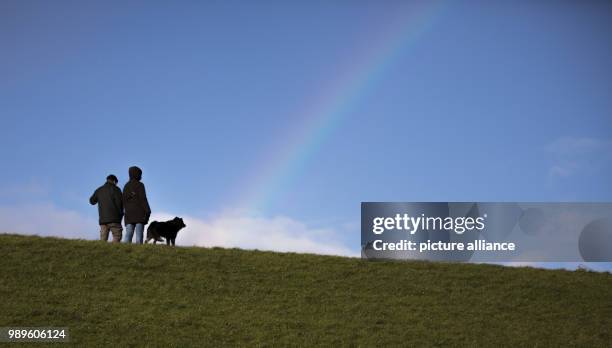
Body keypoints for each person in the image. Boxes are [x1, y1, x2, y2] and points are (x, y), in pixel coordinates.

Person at [89, 174, 123, 242]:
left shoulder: (99, 190)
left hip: (103, 219)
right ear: (114, 181)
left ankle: (102, 251)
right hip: (114, 218)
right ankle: (113, 251)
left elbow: (92, 201)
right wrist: (121, 214)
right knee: (117, 236)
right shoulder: (116, 189)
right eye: (116, 183)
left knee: (103, 240)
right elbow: (120, 203)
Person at [122, 166, 151, 244]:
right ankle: (139, 252)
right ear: (137, 174)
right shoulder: (140, 185)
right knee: (139, 235)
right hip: (139, 214)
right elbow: (143, 199)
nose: (141, 176)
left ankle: (124, 251)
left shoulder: (126, 186)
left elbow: (123, 200)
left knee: (128, 234)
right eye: (140, 174)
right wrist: (148, 211)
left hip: (128, 214)